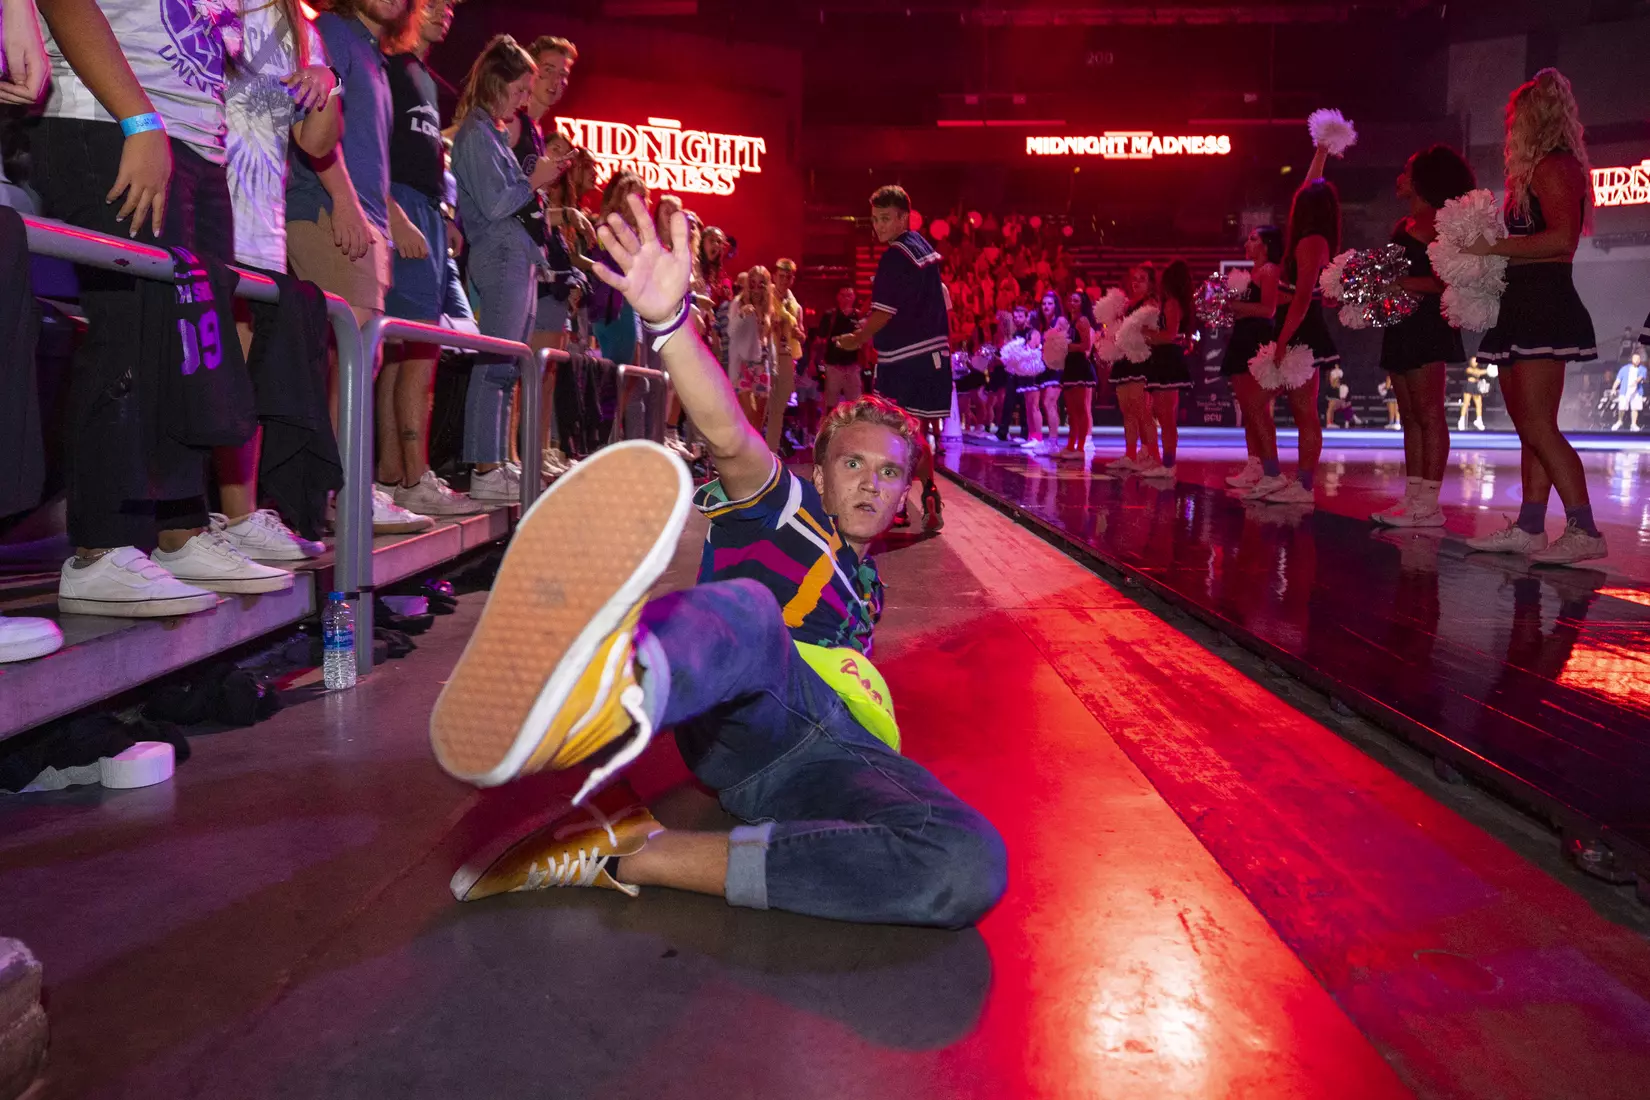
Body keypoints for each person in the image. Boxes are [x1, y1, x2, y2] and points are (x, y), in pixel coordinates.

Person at [428, 194, 1007, 928]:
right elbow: (730, 435)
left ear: (905, 493)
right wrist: (671, 327)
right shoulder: (790, 513)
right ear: (820, 475)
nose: (869, 481)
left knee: (968, 859)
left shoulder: (868, 589)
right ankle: (598, 694)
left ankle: (626, 851)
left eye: (889, 472)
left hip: (832, 757)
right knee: (753, 611)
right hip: (760, 707)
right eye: (852, 464)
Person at [36, 0, 295, 617]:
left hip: (198, 145)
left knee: (189, 348)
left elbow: (254, 58)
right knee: (128, 329)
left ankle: (178, 529)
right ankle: (100, 548)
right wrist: (138, 122)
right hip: (113, 122)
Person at [285, 0, 433, 536]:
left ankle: (343, 489)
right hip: (329, 212)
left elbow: (366, 148)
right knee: (349, 363)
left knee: (352, 364)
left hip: (364, 221)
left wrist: (386, 220)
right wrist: (345, 202)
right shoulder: (335, 33)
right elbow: (312, 123)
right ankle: (341, 493)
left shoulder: (370, 52)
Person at [216, 0, 345, 560]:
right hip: (201, 195)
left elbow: (316, 143)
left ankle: (238, 515)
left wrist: (327, 82)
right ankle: (196, 521)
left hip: (261, 220)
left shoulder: (300, 27)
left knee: (246, 369)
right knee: (202, 363)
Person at [1464, 69, 1605, 566]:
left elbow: (1562, 241)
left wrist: (1492, 247)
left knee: (1540, 427)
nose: (1509, 126)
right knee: (1529, 427)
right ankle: (1530, 524)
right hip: (1522, 303)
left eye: (1515, 117)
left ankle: (1584, 528)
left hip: (1545, 302)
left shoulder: (1555, 166)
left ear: (1533, 118)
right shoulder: (1538, 170)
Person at [378, 0, 481, 518]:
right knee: (411, 350)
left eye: (452, 6)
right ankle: (411, 476)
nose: (446, 12)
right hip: (398, 210)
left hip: (424, 214)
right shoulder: (387, 65)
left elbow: (422, 160)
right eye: (434, 2)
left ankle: (396, 477)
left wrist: (440, 214)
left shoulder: (422, 76)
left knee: (405, 351)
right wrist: (396, 212)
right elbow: (371, 151)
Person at [451, 35, 561, 502]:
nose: (523, 101)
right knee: (495, 362)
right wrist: (533, 180)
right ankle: (484, 465)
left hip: (516, 257)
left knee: (509, 367)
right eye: (518, 90)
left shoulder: (490, 133)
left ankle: (497, 460)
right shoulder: (475, 134)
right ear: (497, 83)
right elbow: (496, 203)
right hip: (497, 257)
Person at [1371, 145, 1476, 528]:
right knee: (1410, 416)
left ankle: (1430, 502)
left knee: (1430, 414)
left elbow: (1447, 281)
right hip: (1400, 326)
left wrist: (1397, 282)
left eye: (1406, 171)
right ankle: (1413, 497)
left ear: (1421, 181)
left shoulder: (1442, 225)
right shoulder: (1403, 226)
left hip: (1429, 327)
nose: (1399, 178)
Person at [833, 185, 948, 532]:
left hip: (905, 360)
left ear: (902, 218)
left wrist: (856, 338)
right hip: (932, 356)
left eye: (885, 218)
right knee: (912, 433)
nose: (878, 226)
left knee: (895, 437)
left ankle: (899, 503)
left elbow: (884, 313)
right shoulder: (923, 249)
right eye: (875, 220)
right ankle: (927, 490)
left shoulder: (895, 255)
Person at [1243, 141, 1338, 506]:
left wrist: (1282, 341)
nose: (1294, 201)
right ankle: (1278, 476)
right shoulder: (1309, 236)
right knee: (1265, 405)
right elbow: (1310, 184)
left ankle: (1300, 484)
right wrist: (1320, 153)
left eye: (1301, 199)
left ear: (1307, 207)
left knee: (1300, 410)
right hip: (1294, 328)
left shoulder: (1312, 242)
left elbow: (1301, 299)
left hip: (1301, 331)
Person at [1223, 228, 1284, 490]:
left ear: (1267, 245)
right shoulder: (1251, 274)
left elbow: (1268, 309)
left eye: (1253, 238)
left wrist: (1235, 306)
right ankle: (1254, 465)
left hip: (1256, 340)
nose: (1247, 242)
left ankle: (1271, 469)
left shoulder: (1269, 270)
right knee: (1248, 410)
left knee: (1257, 408)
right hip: (1241, 338)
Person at [1136, 259, 1195, 481]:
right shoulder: (1170, 302)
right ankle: (1166, 461)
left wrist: (1144, 334)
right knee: (1164, 415)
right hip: (1165, 359)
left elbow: (1170, 335)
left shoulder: (1171, 303)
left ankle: (1169, 464)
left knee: (1166, 417)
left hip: (1168, 360)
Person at [1104, 265, 1158, 474]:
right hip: (1124, 359)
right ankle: (1130, 454)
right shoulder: (1129, 305)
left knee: (1141, 410)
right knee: (1127, 409)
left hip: (1139, 359)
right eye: (1134, 279)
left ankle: (1154, 456)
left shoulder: (1151, 303)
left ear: (1151, 282)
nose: (1136, 283)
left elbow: (1151, 331)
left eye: (1141, 279)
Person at [726, 264, 776, 432]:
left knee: (760, 417)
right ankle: (747, 453)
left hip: (762, 363)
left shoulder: (769, 306)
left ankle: (755, 452)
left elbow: (769, 340)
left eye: (761, 283)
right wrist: (741, 315)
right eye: (752, 283)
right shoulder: (738, 302)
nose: (756, 287)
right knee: (748, 413)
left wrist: (773, 365)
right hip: (742, 364)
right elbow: (730, 332)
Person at [1020, 290, 1065, 455]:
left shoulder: (1059, 321)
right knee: (1047, 404)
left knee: (1048, 403)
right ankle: (1051, 441)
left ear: (1056, 305)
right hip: (1046, 368)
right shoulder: (1041, 324)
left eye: (1050, 303)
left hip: (1057, 368)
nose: (1046, 306)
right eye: (1044, 304)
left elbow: (1064, 342)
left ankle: (1053, 443)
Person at [768, 257, 805, 452]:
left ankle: (771, 452)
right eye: (780, 276)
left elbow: (802, 334)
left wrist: (799, 333)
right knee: (761, 406)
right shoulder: (765, 296)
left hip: (786, 357)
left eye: (788, 277)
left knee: (778, 410)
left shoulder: (795, 305)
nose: (783, 280)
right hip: (766, 355)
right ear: (774, 276)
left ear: (792, 280)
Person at [1057, 290, 1096, 460]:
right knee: (1071, 410)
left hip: (1079, 366)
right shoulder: (1071, 321)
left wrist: (1066, 346)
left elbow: (1086, 346)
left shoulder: (1082, 321)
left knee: (1080, 408)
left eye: (1076, 300)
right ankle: (1070, 445)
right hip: (1070, 366)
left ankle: (1080, 447)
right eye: (1070, 299)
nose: (1072, 303)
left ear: (1083, 303)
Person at [815, 286, 865, 411]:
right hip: (833, 366)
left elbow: (866, 341)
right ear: (837, 297)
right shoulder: (830, 316)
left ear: (854, 297)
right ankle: (830, 429)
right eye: (843, 295)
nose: (846, 298)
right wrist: (814, 361)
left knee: (855, 406)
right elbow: (819, 340)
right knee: (830, 405)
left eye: (849, 295)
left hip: (853, 366)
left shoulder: (860, 316)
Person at [1611, 350, 1646, 432]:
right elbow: (1618, 380)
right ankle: (1619, 421)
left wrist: (1635, 382)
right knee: (1622, 407)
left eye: (1638, 359)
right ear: (1632, 359)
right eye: (1635, 358)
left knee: (1635, 408)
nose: (1637, 360)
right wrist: (1613, 389)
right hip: (1624, 391)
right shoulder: (1624, 369)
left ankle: (1633, 424)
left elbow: (1640, 377)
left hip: (1637, 392)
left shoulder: (1643, 369)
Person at [1459, 356, 1490, 430]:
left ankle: (1479, 421)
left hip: (1476, 386)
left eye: (1476, 361)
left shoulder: (1478, 369)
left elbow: (1479, 372)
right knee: (1466, 403)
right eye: (1473, 361)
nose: (1475, 362)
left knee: (1479, 404)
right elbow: (1477, 372)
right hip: (1469, 385)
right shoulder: (1468, 369)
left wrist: (1490, 371)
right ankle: (1461, 421)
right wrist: (1488, 370)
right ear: (1470, 362)